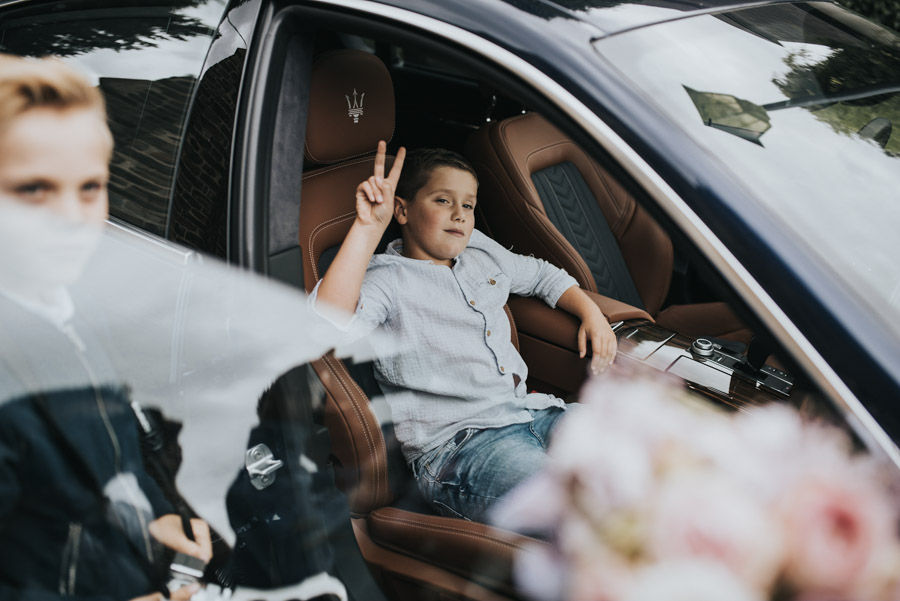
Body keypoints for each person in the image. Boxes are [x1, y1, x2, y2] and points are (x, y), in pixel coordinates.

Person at [312, 141, 617, 521]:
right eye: (443, 201)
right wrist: (367, 227)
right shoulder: (387, 279)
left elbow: (540, 275)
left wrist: (591, 313)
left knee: (646, 461)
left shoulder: (476, 250)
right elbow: (324, 327)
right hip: (462, 448)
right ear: (402, 210)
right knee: (579, 512)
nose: (459, 215)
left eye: (468, 205)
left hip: (529, 413)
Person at [0, 54, 212, 601]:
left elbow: (113, 460)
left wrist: (158, 518)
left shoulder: (70, 309)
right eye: (33, 190)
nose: (72, 218)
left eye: (90, 187)